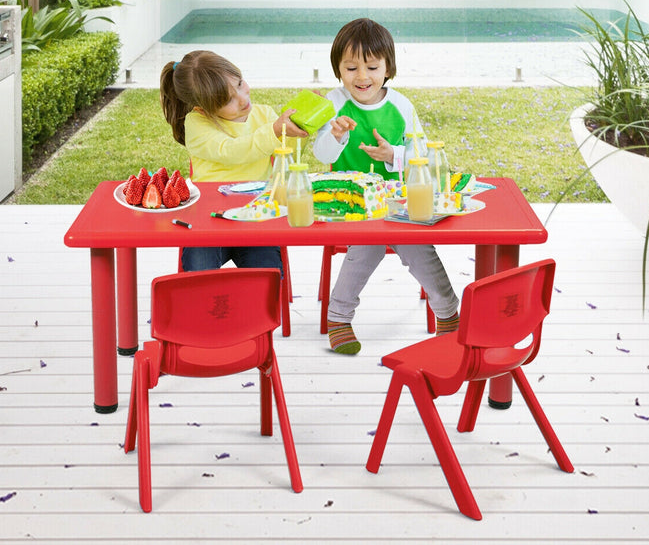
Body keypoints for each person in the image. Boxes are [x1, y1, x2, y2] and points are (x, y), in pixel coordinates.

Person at [313, 18, 460, 354]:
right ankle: (338, 316)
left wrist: (393, 154)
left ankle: (448, 313)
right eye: (351, 67)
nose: (361, 77)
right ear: (338, 69)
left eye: (371, 67)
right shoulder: (334, 103)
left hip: (395, 201)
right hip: (348, 203)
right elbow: (321, 154)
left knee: (417, 243)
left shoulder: (402, 106)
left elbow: (421, 155)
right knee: (370, 242)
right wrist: (336, 135)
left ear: (388, 69)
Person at [160, 50, 307, 272]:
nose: (242, 98)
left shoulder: (264, 115)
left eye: (239, 83)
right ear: (203, 108)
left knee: (267, 273)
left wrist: (303, 126)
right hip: (209, 221)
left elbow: (286, 157)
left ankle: (257, 307)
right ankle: (204, 305)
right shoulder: (196, 123)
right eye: (228, 100)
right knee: (199, 270)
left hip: (255, 216)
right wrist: (275, 131)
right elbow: (231, 151)